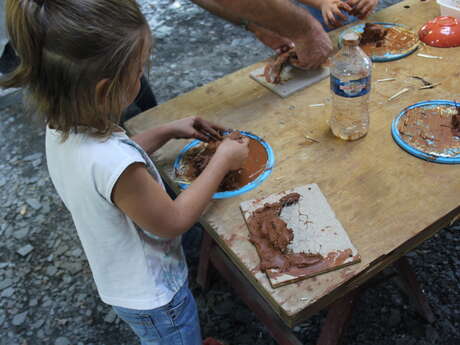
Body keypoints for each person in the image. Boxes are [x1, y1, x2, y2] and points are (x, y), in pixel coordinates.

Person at [0, 1, 249, 345]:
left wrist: (168, 130)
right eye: (138, 70)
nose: (142, 75)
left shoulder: (63, 126)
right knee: (175, 335)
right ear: (105, 89)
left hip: (121, 279)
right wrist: (223, 160)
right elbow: (174, 220)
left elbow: (114, 163)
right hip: (156, 296)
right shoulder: (117, 166)